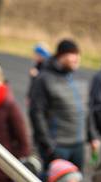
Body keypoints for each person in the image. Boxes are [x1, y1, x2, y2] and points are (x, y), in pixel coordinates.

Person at [29, 39, 86, 172]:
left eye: (78, 55)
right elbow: (36, 113)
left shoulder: (74, 78)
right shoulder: (44, 79)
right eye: (73, 54)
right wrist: (48, 146)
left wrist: (90, 136)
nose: (77, 59)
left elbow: (83, 109)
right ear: (61, 56)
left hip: (78, 145)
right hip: (58, 146)